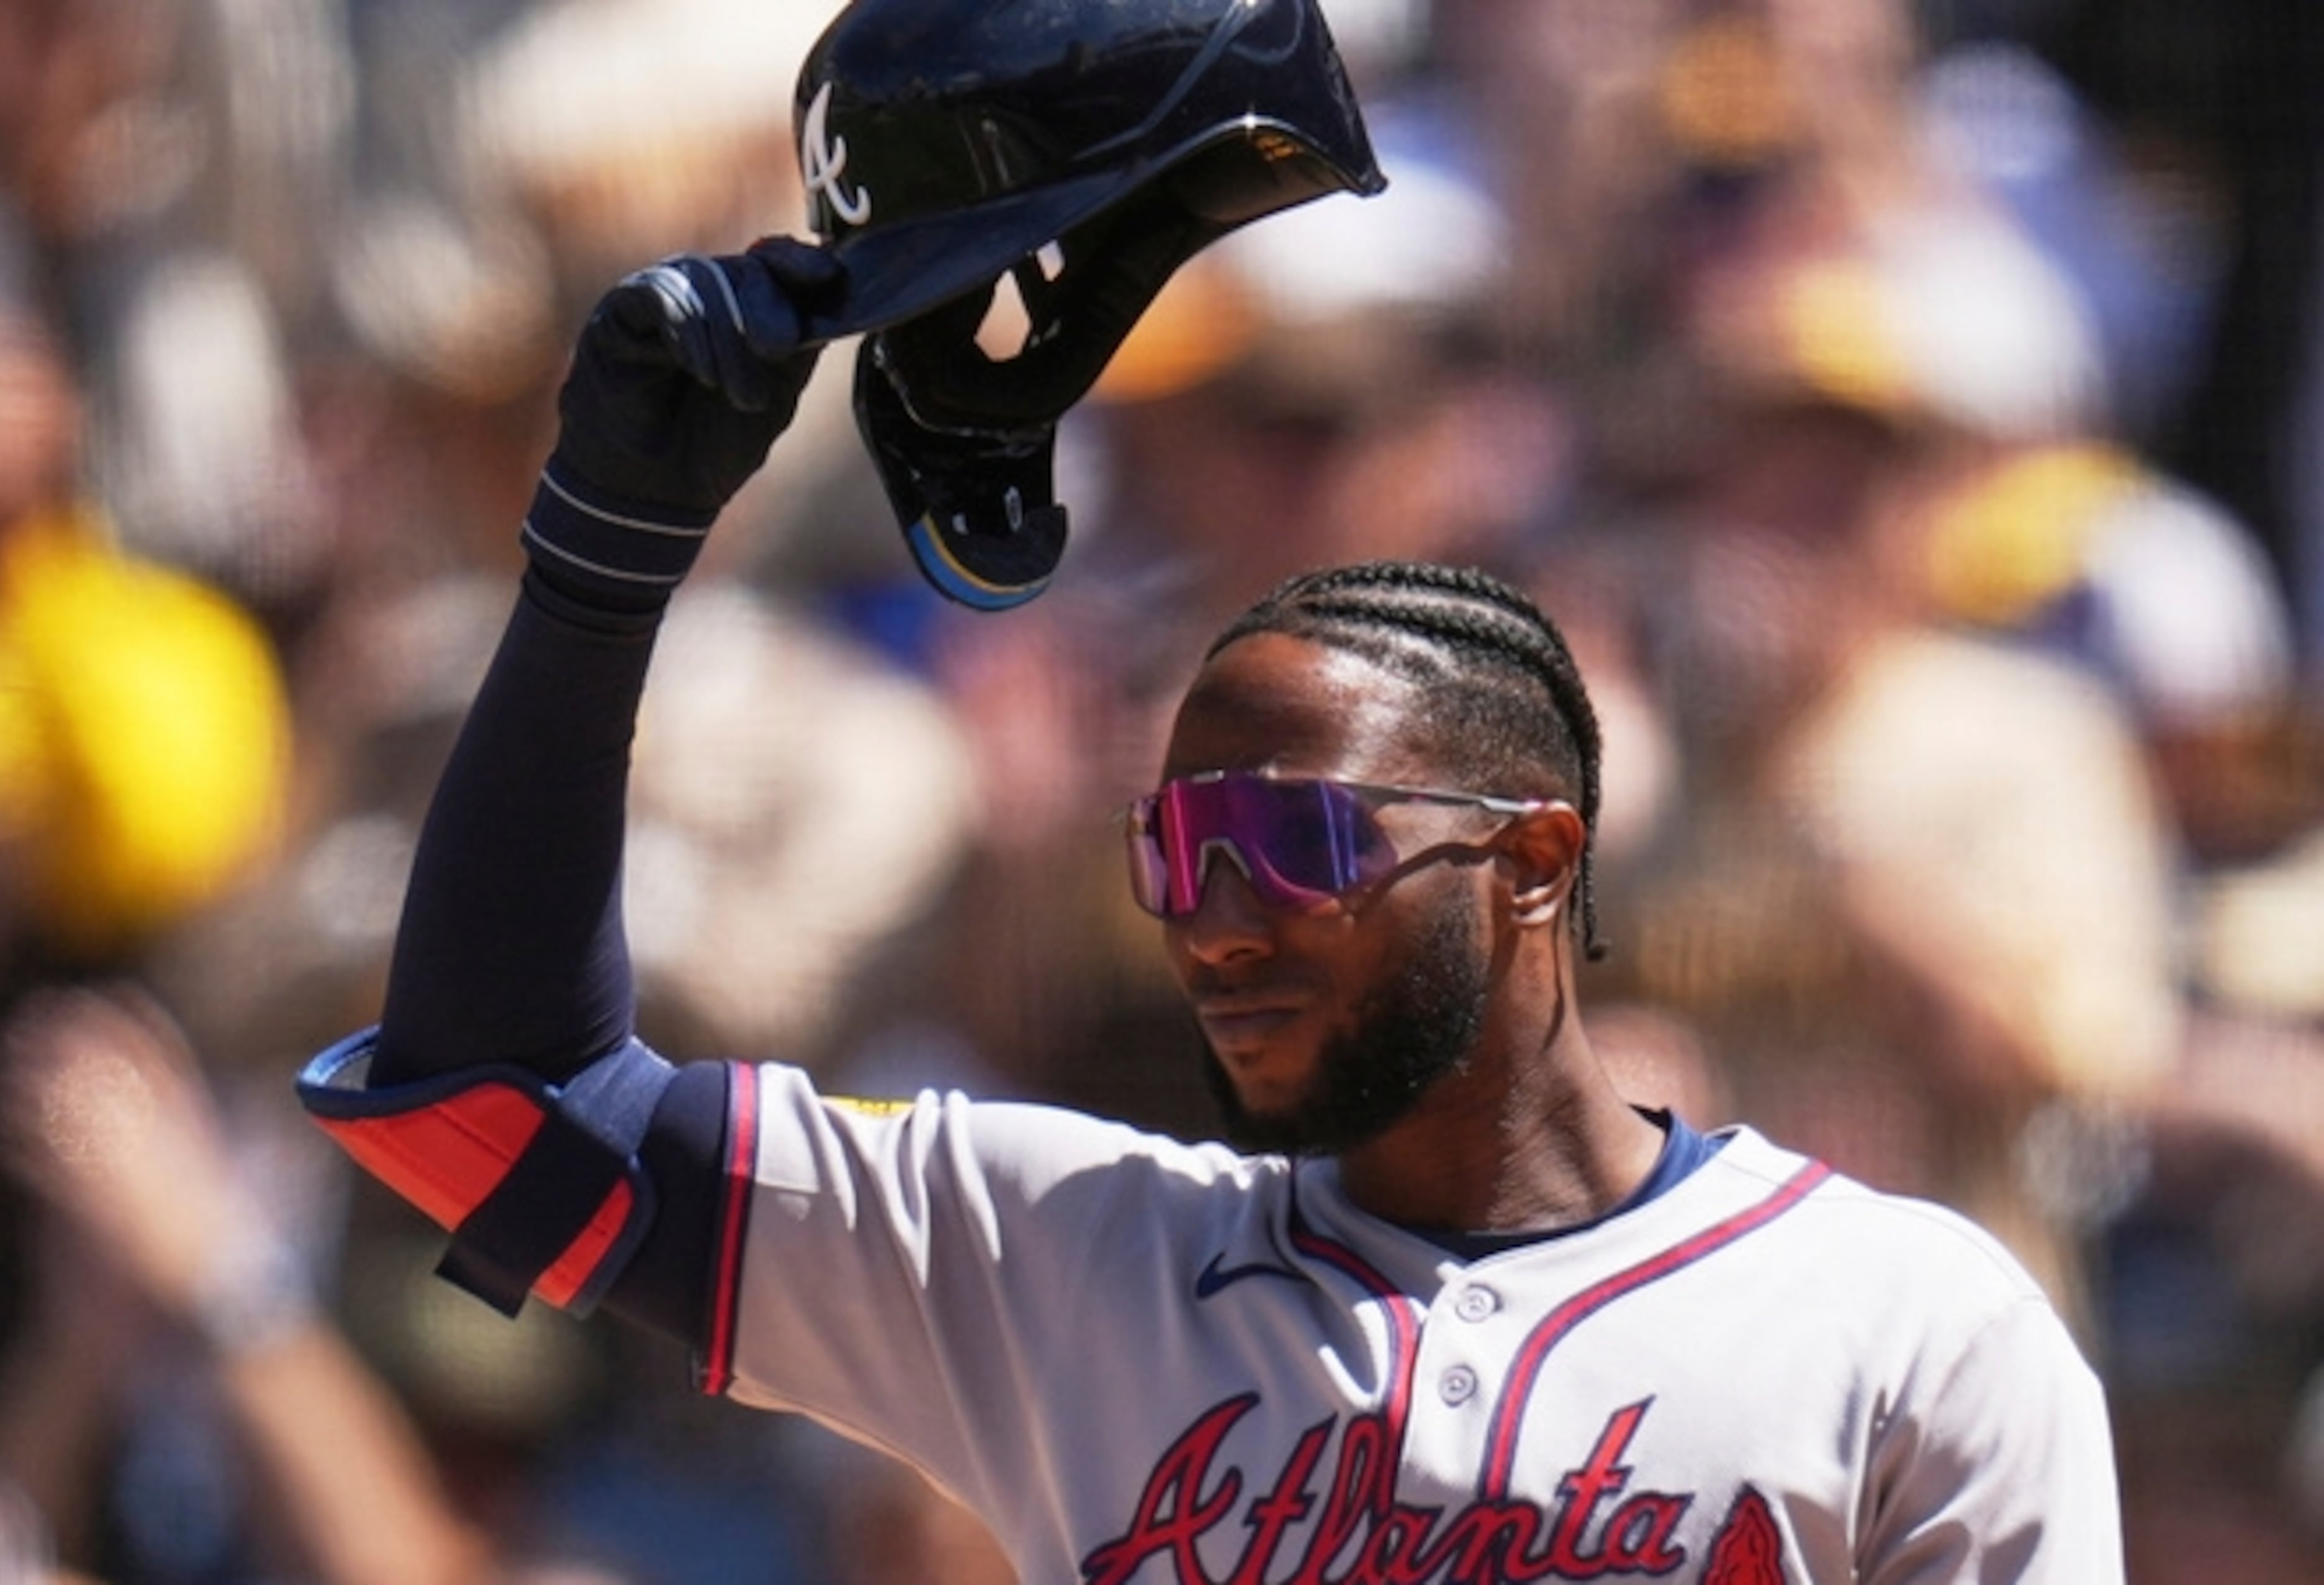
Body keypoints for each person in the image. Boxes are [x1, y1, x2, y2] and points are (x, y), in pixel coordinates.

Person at [295, 240, 2126, 1583]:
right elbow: (493, 1109)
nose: (1218, 920)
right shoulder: (1066, 1256)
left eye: (1294, 843)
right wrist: (602, 566)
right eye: (1177, 855)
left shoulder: (1909, 1326)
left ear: (1538, 862)